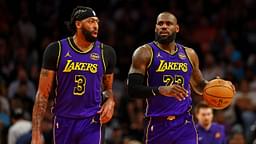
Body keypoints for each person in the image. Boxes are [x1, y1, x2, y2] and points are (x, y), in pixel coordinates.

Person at [127, 12, 234, 144]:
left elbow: (199, 85)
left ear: (176, 28)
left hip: (185, 123)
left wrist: (220, 86)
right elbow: (132, 89)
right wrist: (160, 90)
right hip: (158, 123)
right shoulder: (144, 52)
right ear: (155, 28)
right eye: (160, 24)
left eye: (168, 23)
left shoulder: (189, 54)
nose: (164, 27)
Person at [31, 6, 116, 144]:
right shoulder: (56, 50)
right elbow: (42, 94)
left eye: (97, 22)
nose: (95, 26)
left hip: (92, 121)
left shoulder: (106, 52)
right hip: (64, 120)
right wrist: (36, 133)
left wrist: (111, 100)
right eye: (90, 21)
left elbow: (108, 89)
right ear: (78, 24)